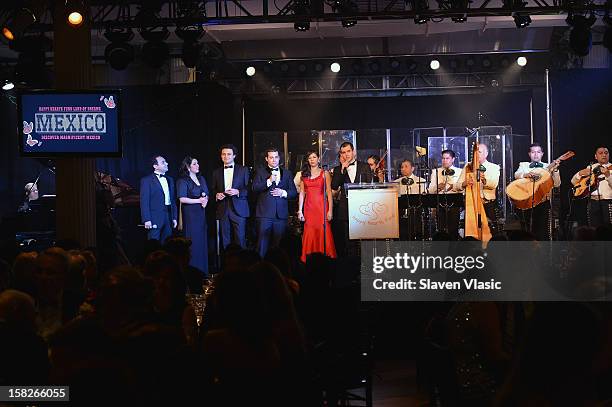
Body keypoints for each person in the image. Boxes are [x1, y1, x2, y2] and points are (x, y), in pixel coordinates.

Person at [252, 148, 298, 258]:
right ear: (266, 159)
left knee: (279, 247)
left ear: (279, 158)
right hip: (265, 215)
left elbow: (293, 193)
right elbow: (254, 188)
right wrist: (268, 181)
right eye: (271, 157)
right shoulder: (260, 172)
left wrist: (283, 192)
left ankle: (279, 271)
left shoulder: (287, 173)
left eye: (276, 157)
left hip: (281, 216)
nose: (274, 160)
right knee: (262, 246)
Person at [331, 142, 373, 256]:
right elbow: (334, 186)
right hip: (346, 210)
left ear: (353, 151)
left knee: (364, 240)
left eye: (348, 151)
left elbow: (370, 186)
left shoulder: (365, 166)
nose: (346, 155)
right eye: (343, 152)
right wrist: (342, 169)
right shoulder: (337, 169)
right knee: (349, 242)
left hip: (363, 209)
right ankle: (351, 267)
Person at [514, 143, 561, 240]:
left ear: (542, 154)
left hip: (543, 202)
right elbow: (517, 175)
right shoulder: (524, 165)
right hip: (528, 202)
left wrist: (555, 171)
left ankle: (543, 252)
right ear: (529, 154)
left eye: (538, 152)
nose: (536, 154)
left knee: (542, 230)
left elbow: (557, 184)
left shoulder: (548, 166)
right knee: (528, 228)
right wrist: (526, 174)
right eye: (533, 152)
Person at [297, 151, 336, 263]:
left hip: (322, 208)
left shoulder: (325, 173)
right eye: (310, 158)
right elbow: (302, 193)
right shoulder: (304, 174)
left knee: (323, 231)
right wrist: (300, 210)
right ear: (307, 160)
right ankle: (308, 259)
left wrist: (330, 211)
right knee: (309, 231)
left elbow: (329, 192)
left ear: (318, 159)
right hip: (309, 208)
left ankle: (326, 259)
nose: (312, 159)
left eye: (314, 157)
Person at [455, 143, 501, 234]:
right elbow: (457, 186)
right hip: (471, 204)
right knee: (471, 231)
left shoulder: (494, 167)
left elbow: (494, 184)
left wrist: (484, 180)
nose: (477, 154)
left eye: (479, 152)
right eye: (475, 152)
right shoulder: (468, 166)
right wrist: (464, 184)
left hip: (487, 205)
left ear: (486, 153)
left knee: (490, 232)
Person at [212, 144, 250, 249]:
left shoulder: (243, 170)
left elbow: (249, 189)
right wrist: (216, 194)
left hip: (239, 208)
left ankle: (242, 264)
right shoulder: (216, 172)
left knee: (240, 239)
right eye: (223, 154)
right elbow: (213, 189)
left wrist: (238, 191)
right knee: (225, 240)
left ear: (234, 156)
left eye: (229, 154)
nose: (226, 156)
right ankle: (227, 263)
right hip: (223, 208)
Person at [177, 156, 210, 275]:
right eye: (195, 164)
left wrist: (205, 200)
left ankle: (203, 272)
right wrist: (199, 201)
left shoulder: (201, 179)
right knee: (193, 242)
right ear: (188, 166)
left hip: (201, 213)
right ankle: (192, 272)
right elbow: (182, 199)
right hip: (190, 214)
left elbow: (206, 194)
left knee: (201, 242)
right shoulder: (183, 180)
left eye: (198, 163)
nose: (198, 166)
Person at [571, 146, 612, 228]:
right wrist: (579, 173)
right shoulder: (590, 167)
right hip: (592, 202)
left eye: (606, 153)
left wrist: (608, 175)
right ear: (595, 156)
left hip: (607, 202)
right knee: (594, 229)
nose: (604, 155)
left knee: (609, 229)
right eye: (600, 153)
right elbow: (573, 182)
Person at [140, 155, 177, 243]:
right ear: (155, 166)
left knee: (168, 243)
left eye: (166, 162)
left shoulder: (170, 180)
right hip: (154, 217)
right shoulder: (146, 180)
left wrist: (174, 217)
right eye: (163, 162)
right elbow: (144, 201)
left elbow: (172, 199)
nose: (166, 164)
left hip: (168, 216)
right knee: (153, 243)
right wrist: (146, 219)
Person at [428, 149, 461, 238]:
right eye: (443, 158)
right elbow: (430, 190)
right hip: (440, 205)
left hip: (454, 204)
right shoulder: (436, 172)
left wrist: (452, 186)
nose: (444, 160)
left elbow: (462, 189)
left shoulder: (459, 171)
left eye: (447, 158)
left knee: (453, 230)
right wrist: (438, 187)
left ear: (453, 159)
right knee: (441, 230)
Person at [394, 159, 427, 240]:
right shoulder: (396, 182)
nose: (403, 169)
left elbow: (423, 196)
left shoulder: (421, 181)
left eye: (406, 166)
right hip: (401, 213)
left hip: (416, 212)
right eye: (402, 167)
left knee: (416, 232)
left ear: (412, 168)